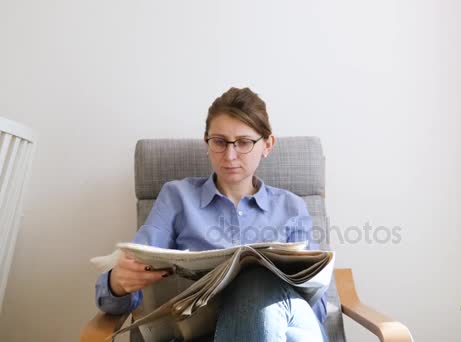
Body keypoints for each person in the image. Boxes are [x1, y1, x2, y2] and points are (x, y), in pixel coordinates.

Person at [94, 87, 328, 341]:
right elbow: (127, 283)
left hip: (290, 328)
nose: (229, 156)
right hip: (203, 332)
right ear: (206, 141)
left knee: (259, 283)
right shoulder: (177, 198)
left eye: (244, 142)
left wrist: (270, 301)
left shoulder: (292, 207)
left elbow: (320, 307)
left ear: (267, 145)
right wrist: (118, 284)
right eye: (219, 141)